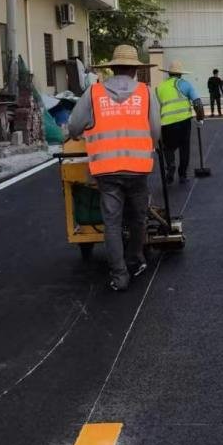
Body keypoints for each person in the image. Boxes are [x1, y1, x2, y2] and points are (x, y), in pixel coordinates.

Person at [66, 45, 162, 292]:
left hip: (106, 170)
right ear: (135, 70)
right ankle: (134, 260)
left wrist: (81, 133)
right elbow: (155, 131)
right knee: (138, 217)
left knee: (112, 223)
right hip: (138, 168)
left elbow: (74, 126)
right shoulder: (145, 93)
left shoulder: (94, 92)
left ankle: (119, 275)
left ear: (113, 68)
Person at [156, 60, 204, 184]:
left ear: (168, 73)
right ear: (180, 74)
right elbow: (197, 102)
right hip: (184, 122)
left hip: (166, 123)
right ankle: (182, 174)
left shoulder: (159, 87)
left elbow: (155, 108)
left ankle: (170, 165)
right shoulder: (185, 84)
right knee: (184, 148)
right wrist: (200, 118)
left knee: (168, 148)